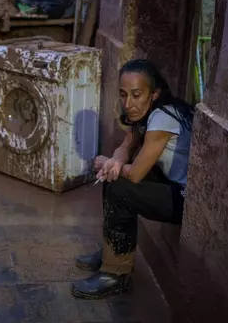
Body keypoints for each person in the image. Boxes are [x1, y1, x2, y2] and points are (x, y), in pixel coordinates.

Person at [71, 59, 194, 299]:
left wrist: (112, 164)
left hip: (185, 199)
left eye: (136, 95)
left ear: (154, 93)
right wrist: (114, 161)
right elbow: (126, 146)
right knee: (113, 175)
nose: (129, 104)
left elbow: (136, 173)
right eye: (124, 94)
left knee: (119, 187)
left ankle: (115, 274)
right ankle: (113, 249)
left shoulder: (162, 118)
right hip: (170, 184)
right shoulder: (146, 113)